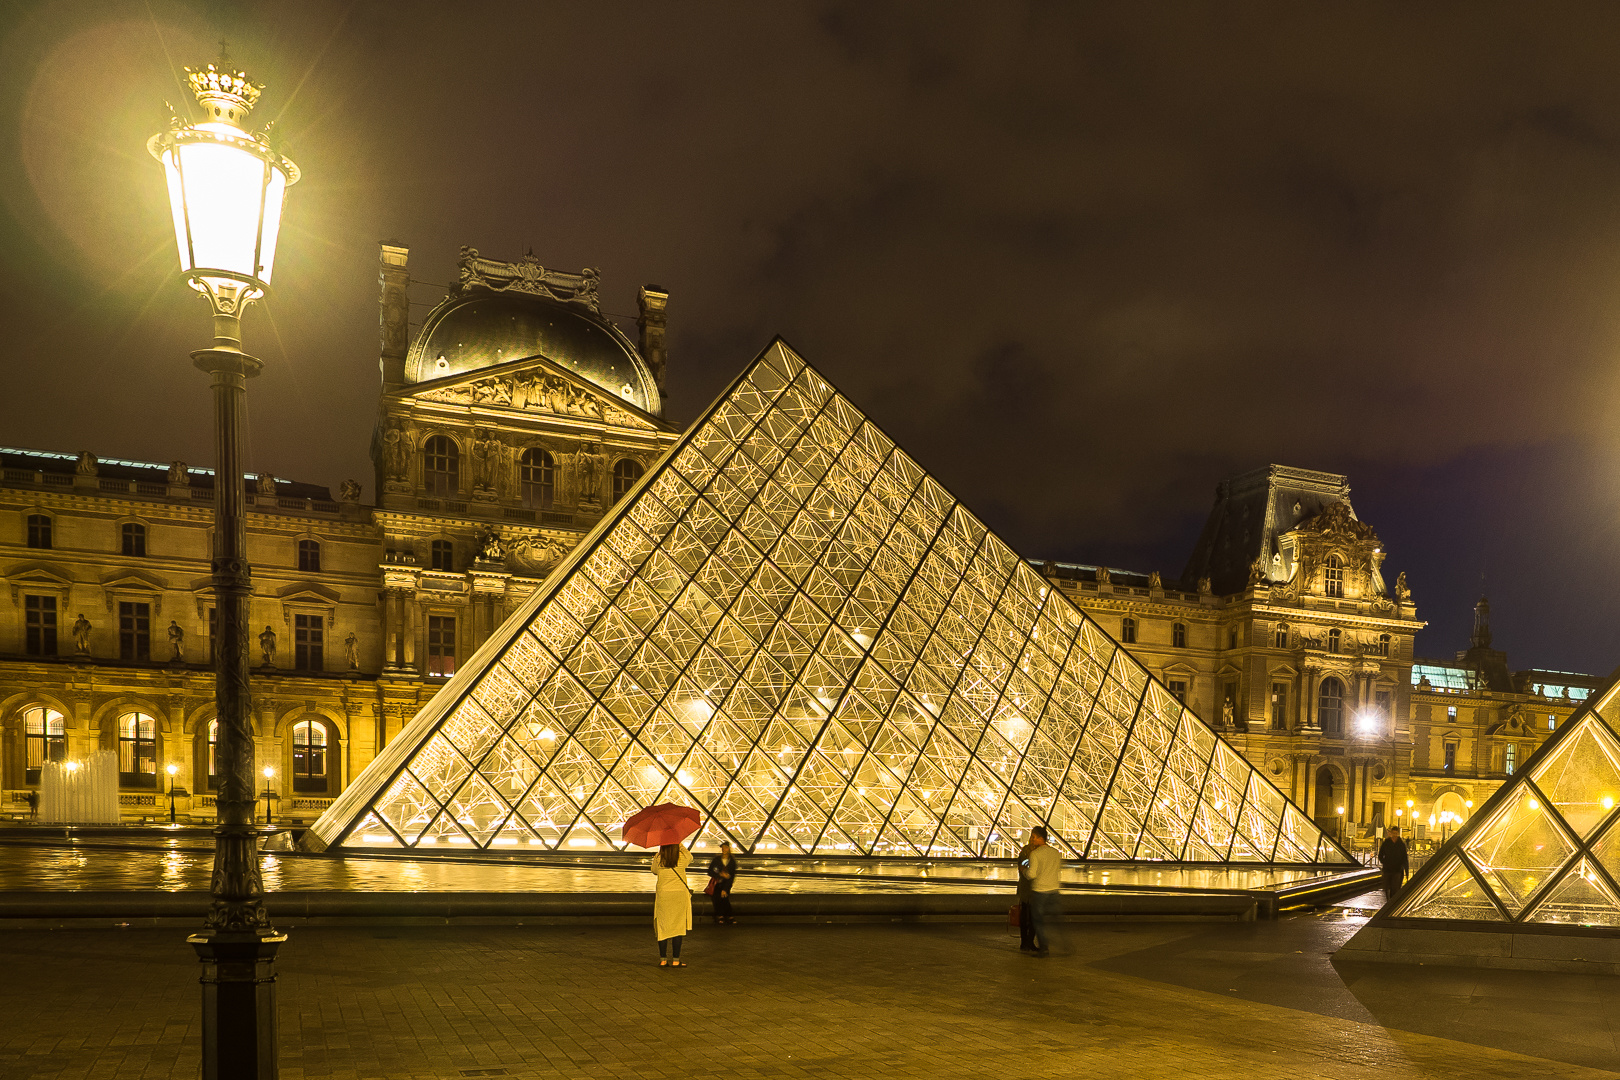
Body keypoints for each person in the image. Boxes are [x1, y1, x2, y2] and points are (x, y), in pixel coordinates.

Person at [650, 842, 693, 966]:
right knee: (678, 928)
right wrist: (679, 844)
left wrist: (660, 852)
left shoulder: (659, 858)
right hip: (679, 895)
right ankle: (676, 960)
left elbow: (653, 871)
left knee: (663, 927)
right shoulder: (682, 857)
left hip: (664, 895)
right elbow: (690, 857)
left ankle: (663, 960)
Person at [1025, 826, 1063, 957]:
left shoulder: (1035, 854)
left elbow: (1031, 874)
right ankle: (1063, 942)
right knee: (1055, 918)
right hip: (1054, 890)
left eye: (1033, 837)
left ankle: (1044, 947)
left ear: (1040, 838)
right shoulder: (1055, 852)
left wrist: (1023, 870)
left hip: (1040, 891)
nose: (1031, 839)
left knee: (1038, 920)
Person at [707, 841, 740, 924]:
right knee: (718, 898)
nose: (723, 849)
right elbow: (710, 871)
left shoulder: (732, 861)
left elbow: (731, 876)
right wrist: (720, 874)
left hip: (726, 883)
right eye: (722, 848)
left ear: (729, 849)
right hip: (717, 883)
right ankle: (727, 916)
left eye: (725, 847)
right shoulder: (717, 860)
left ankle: (722, 916)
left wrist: (725, 888)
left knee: (724, 898)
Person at [1014, 836, 1036, 951]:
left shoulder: (1024, 852)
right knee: (1030, 917)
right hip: (1029, 889)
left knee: (1026, 917)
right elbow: (1022, 868)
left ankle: (1025, 942)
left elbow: (1022, 868)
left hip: (1026, 889)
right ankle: (1028, 942)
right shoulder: (1028, 853)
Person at [1378, 826, 1409, 905]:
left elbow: (1404, 857)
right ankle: (1388, 902)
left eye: (1396, 833)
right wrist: (1384, 862)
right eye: (1393, 833)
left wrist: (1406, 870)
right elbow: (1380, 854)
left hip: (1397, 870)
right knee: (1386, 888)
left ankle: (1392, 904)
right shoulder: (1386, 842)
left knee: (1395, 889)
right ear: (1391, 833)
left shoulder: (1401, 844)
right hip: (1387, 869)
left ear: (1398, 834)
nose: (1394, 835)